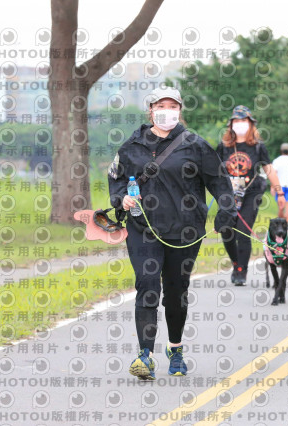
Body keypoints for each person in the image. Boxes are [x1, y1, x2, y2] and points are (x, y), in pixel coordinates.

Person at [107, 87, 236, 380]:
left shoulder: (195, 145)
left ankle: (175, 349)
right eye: (161, 105)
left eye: (173, 105)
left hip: (185, 230)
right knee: (148, 285)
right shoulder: (131, 146)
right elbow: (116, 178)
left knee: (176, 293)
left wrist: (226, 211)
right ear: (151, 110)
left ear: (180, 110)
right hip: (143, 229)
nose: (167, 110)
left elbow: (219, 182)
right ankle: (145, 355)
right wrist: (120, 198)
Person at [216, 105, 285, 286]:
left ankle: (242, 270)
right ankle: (236, 263)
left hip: (251, 193)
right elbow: (213, 169)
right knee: (226, 230)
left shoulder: (258, 147)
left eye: (243, 120)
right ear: (231, 124)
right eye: (236, 120)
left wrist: (279, 191)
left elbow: (269, 169)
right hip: (229, 194)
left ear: (250, 123)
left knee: (243, 230)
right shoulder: (223, 146)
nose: (239, 123)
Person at [271, 142, 288, 224]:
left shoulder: (276, 161)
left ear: (281, 150)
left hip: (279, 185)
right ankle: (286, 225)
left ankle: (280, 225)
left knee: (280, 207)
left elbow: (274, 174)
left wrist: (272, 187)